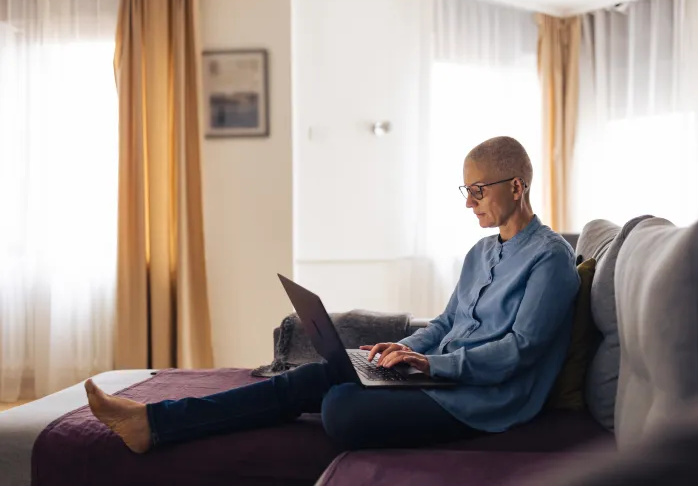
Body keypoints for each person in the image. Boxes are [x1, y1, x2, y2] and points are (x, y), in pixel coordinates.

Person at [85, 136, 580, 453]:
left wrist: (432, 367)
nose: (468, 202)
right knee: (323, 373)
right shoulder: (480, 252)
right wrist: (407, 352)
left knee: (341, 407)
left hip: (482, 401)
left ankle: (158, 424)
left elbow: (520, 351)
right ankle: (153, 422)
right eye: (465, 190)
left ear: (516, 187)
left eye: (478, 191)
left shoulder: (550, 259)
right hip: (439, 380)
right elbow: (448, 322)